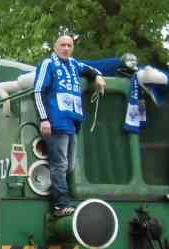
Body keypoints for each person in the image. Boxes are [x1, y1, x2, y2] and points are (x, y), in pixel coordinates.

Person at [31, 32, 114, 219]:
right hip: (56, 121)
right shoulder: (48, 64)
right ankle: (61, 205)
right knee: (59, 164)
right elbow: (38, 91)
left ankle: (59, 196)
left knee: (69, 165)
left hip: (72, 123)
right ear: (55, 47)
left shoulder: (75, 64)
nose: (66, 48)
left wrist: (98, 77)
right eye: (63, 45)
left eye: (69, 45)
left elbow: (90, 68)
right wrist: (44, 119)